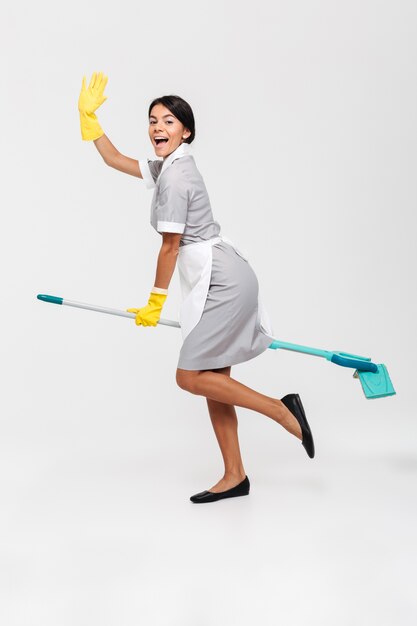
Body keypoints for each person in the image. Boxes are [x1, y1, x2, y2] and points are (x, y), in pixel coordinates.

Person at [78, 71, 315, 504]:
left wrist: (154, 302)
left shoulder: (176, 177)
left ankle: (283, 411)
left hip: (222, 282)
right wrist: (90, 120)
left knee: (190, 377)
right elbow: (116, 161)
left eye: (168, 121)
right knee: (212, 380)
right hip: (217, 275)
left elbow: (169, 246)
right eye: (152, 120)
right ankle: (235, 475)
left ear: (186, 131)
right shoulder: (171, 164)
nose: (157, 128)